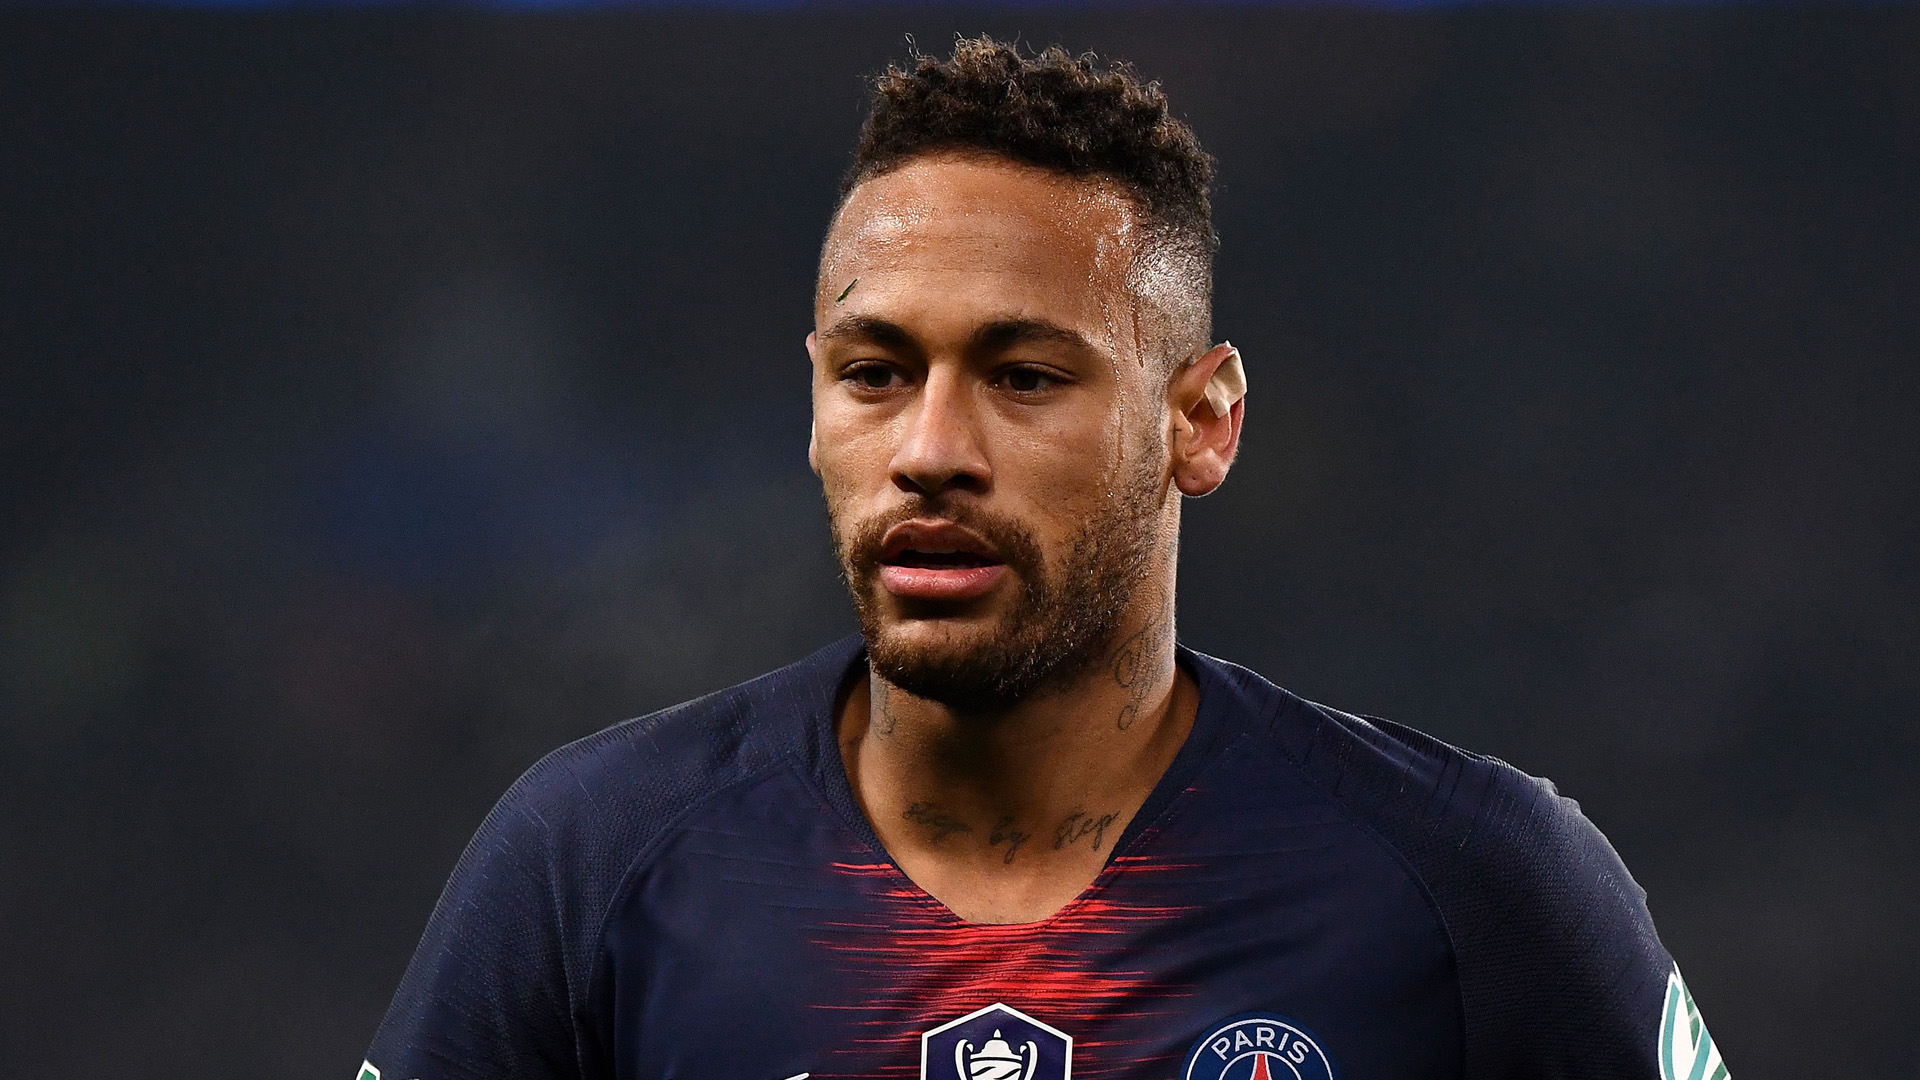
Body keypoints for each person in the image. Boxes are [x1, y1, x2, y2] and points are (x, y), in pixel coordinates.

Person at [360, 37, 1726, 1080]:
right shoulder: (591, 862)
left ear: (1202, 421)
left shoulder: (1477, 878)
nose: (931, 449)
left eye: (1023, 376)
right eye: (876, 373)